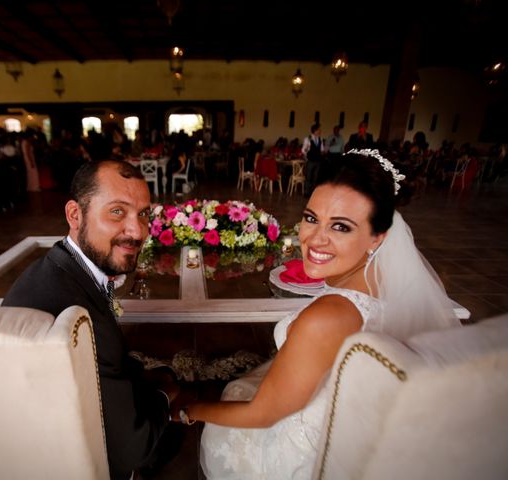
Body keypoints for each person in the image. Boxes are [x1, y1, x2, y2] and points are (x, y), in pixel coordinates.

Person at [174, 149, 460, 479]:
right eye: (312, 218)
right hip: (357, 428)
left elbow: (264, 414)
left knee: (229, 414)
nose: (315, 239)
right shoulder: (392, 281)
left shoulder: (327, 317)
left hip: (302, 454)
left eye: (341, 226)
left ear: (377, 237)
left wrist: (189, 411)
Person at [2, 160, 180, 480]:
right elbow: (132, 448)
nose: (137, 231)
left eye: (143, 214)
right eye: (117, 211)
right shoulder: (76, 319)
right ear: (74, 215)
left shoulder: (57, 267)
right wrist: (167, 394)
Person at [301, 123, 326, 196]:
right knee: (308, 177)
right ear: (315, 130)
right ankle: (306, 192)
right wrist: (307, 154)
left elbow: (321, 149)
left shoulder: (320, 139)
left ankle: (313, 193)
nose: (320, 131)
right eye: (319, 130)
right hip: (311, 160)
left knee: (315, 177)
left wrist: (323, 151)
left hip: (318, 160)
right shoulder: (308, 139)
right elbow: (303, 150)